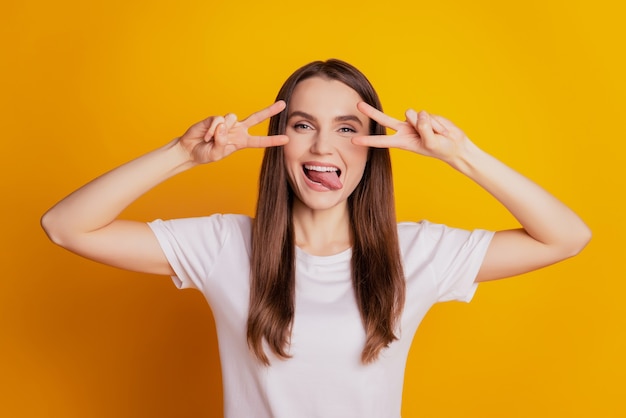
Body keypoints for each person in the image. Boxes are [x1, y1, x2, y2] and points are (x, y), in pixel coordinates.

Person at [41, 59, 591, 417]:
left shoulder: (414, 255)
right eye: (303, 126)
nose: (323, 147)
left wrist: (460, 155)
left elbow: (565, 237)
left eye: (347, 129)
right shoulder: (224, 246)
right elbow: (65, 227)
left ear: (374, 147)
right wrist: (181, 155)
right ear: (279, 142)